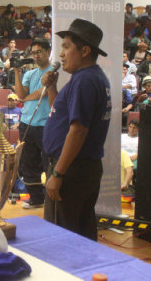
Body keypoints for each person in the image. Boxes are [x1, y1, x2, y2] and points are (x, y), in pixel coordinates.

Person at [42, 19, 111, 241]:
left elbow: (78, 131)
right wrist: (52, 87)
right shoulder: (89, 78)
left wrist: (58, 174)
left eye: (66, 47)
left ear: (85, 50)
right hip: (81, 169)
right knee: (80, 233)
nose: (61, 54)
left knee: (60, 237)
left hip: (71, 171)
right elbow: (58, 113)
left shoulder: (85, 81)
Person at [13, 38, 52, 209]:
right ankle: (36, 198)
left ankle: (51, 199)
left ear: (48, 52)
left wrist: (25, 98)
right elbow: (21, 93)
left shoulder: (54, 71)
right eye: (33, 52)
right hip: (26, 123)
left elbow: (41, 92)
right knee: (28, 162)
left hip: (46, 124)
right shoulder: (29, 74)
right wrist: (16, 71)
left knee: (47, 162)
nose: (36, 56)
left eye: (39, 52)